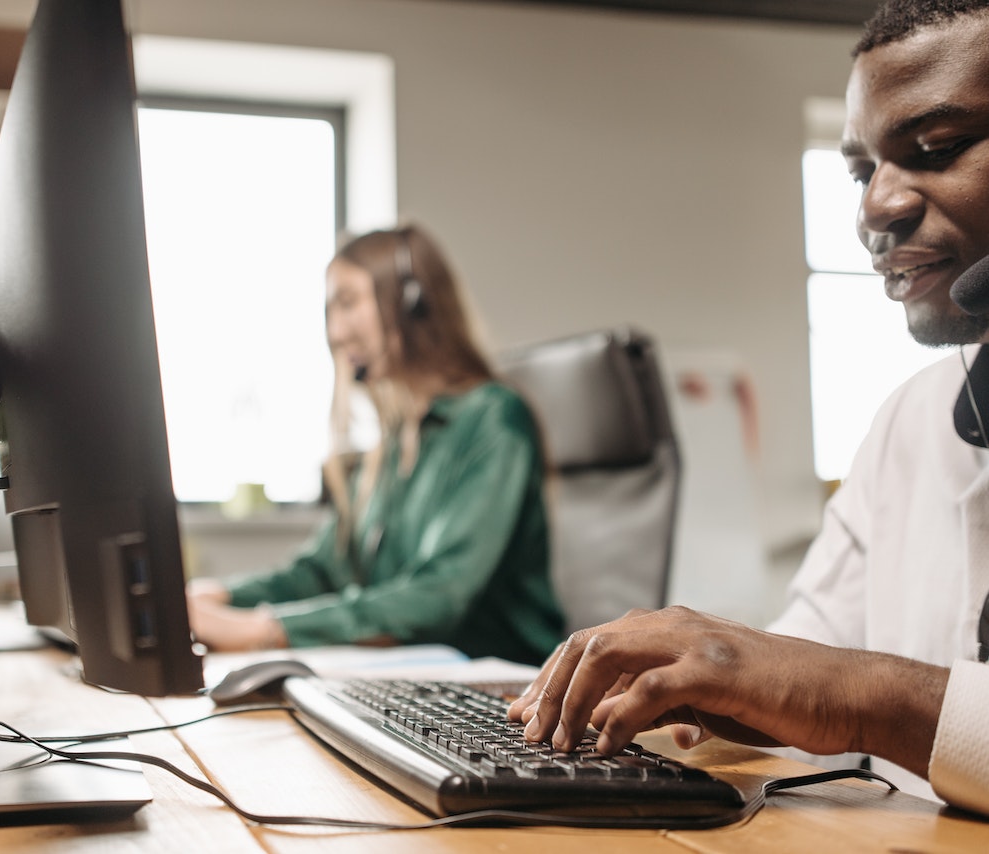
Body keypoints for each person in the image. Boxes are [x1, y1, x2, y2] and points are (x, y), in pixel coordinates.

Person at [509, 0, 989, 818]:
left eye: (935, 149)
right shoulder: (912, 418)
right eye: (858, 171)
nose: (874, 207)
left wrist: (858, 698)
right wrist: (706, 678)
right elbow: (809, 650)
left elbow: (840, 685)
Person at [187, 225, 564, 665]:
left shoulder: (493, 419)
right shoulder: (392, 439)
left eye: (347, 303)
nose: (335, 330)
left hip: (499, 689)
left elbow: (438, 596)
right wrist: (220, 596)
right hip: (413, 676)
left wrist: (265, 631)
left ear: (413, 304)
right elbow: (321, 571)